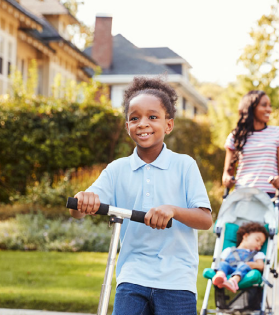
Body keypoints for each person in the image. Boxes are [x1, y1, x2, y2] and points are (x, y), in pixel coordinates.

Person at [70, 76, 213, 315]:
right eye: (134, 118)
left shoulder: (184, 165)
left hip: (176, 279)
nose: (142, 123)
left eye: (152, 117)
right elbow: (77, 211)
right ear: (127, 126)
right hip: (132, 275)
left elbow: (205, 219)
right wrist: (83, 199)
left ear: (168, 124)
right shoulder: (117, 169)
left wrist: (174, 210)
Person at [222, 90, 279, 207]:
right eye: (264, 105)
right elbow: (226, 174)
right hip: (241, 196)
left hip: (268, 197)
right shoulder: (235, 137)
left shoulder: (277, 133)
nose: (269, 109)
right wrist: (227, 179)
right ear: (250, 108)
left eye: (269, 105)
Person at [212, 222, 269, 293]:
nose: (259, 245)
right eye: (257, 240)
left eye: (261, 244)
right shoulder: (229, 250)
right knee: (223, 264)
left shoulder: (257, 254)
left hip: (243, 272)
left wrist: (250, 264)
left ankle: (233, 281)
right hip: (229, 268)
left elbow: (261, 266)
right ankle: (220, 276)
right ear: (245, 236)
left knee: (243, 266)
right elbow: (223, 262)